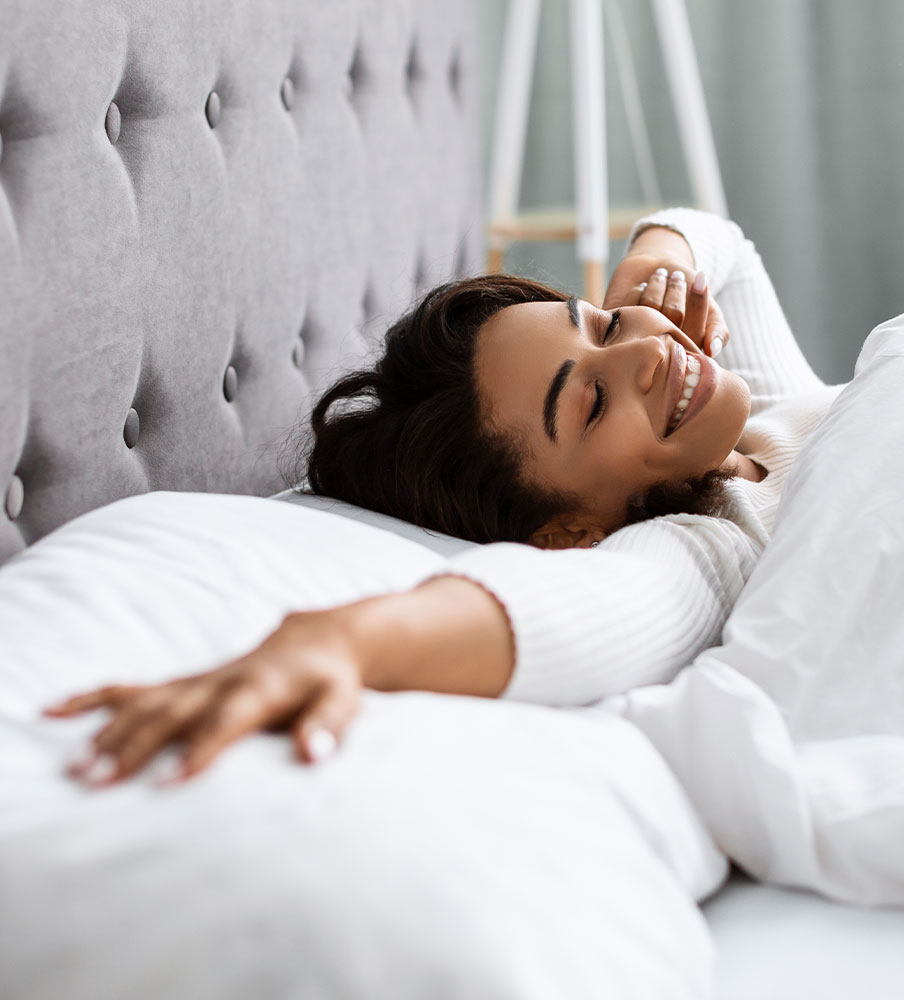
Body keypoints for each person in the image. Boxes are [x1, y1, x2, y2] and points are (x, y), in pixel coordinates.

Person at [45, 208, 841, 786]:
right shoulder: (716, 548)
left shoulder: (766, 412)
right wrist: (342, 640)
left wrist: (650, 263)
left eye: (598, 324)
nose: (644, 350)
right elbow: (571, 612)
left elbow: (723, 244)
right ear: (569, 531)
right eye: (591, 404)